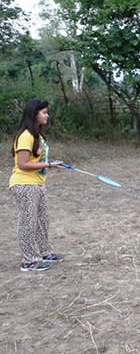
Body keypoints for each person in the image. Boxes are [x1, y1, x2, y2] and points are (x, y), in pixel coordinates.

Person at [9, 99, 65, 271]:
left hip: (37, 183)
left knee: (42, 220)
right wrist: (48, 165)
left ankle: (44, 252)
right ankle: (29, 261)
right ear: (35, 114)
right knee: (28, 222)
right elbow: (23, 164)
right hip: (24, 184)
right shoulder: (25, 136)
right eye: (44, 112)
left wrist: (49, 162)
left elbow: (36, 159)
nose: (47, 115)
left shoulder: (37, 136)